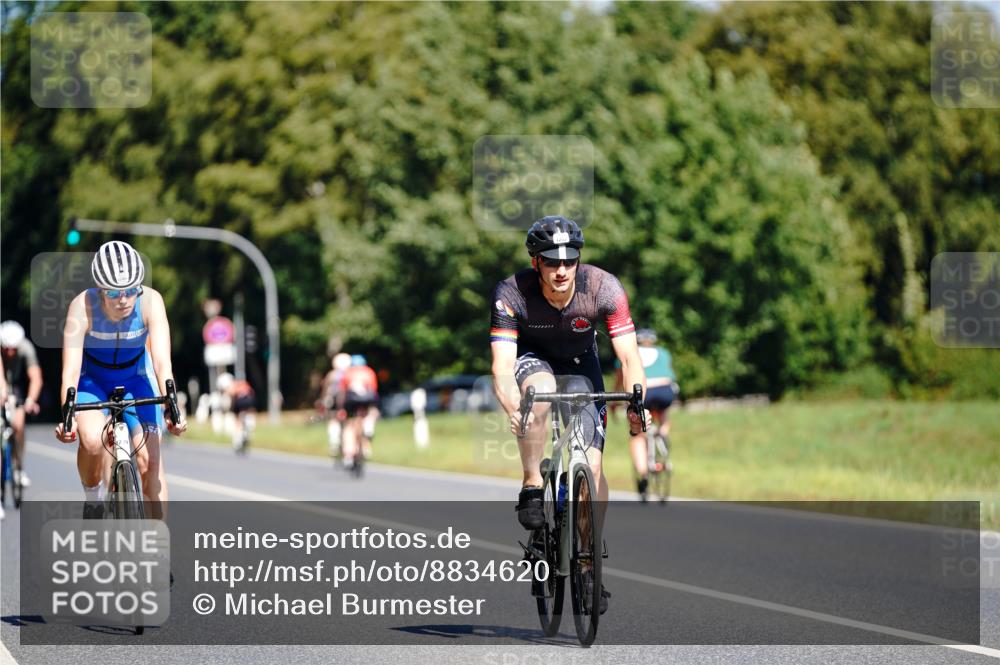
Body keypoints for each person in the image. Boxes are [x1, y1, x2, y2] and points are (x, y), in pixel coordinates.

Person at [489, 215, 648, 615]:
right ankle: (531, 483)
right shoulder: (512, 292)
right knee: (539, 393)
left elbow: (629, 357)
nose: (561, 270)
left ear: (578, 260)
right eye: (551, 261)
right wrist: (514, 407)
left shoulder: (604, 288)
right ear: (536, 262)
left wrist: (636, 404)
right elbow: (502, 366)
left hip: (581, 364)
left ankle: (589, 562)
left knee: (591, 469)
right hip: (532, 359)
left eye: (569, 261)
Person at [54, 240, 187, 518]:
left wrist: (172, 408)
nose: (123, 299)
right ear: (100, 290)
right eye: (114, 292)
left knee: (150, 464)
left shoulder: (151, 302)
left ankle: (158, 538)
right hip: (93, 382)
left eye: (131, 290)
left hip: (137, 379)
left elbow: (162, 363)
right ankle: (93, 498)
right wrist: (68, 417)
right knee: (92, 441)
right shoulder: (82, 307)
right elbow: (70, 371)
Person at [615, 328, 678, 500]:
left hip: (645, 391)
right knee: (663, 412)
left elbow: (621, 378)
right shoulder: (663, 352)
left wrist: (615, 401)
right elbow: (670, 374)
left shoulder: (628, 351)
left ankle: (643, 473)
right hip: (665, 390)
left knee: (638, 435)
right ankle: (662, 434)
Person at [1, 321, 42, 490]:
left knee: (18, 424)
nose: (10, 352)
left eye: (14, 349)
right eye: (6, 349)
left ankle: (19, 466)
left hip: (16, 385)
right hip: (2, 383)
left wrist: (30, 400)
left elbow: (35, 377)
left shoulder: (26, 347)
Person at [337, 354, 378, 471]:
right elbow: (374, 391)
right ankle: (368, 426)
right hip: (367, 400)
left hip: (351, 401)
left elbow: (342, 392)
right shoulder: (369, 372)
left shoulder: (347, 373)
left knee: (349, 427)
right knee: (371, 413)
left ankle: (348, 455)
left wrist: (341, 408)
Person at [322, 352, 352, 458]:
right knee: (348, 424)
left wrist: (324, 401)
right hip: (347, 403)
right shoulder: (350, 374)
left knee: (333, 421)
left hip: (333, 402)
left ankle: (334, 440)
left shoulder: (332, 374)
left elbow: (325, 390)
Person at [216, 372, 256, 451]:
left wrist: (231, 408)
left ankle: (239, 437)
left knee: (237, 418)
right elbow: (251, 392)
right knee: (246, 415)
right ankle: (246, 431)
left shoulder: (231, 385)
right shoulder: (241, 383)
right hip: (249, 399)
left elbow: (232, 393)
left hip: (241, 401)